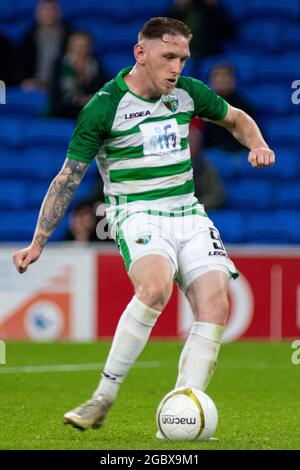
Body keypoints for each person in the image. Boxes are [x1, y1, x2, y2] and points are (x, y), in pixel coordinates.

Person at [12, 17, 275, 437]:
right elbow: (68, 177)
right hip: (137, 212)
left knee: (216, 304)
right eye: (168, 56)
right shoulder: (104, 106)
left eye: (183, 59)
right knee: (154, 289)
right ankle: (102, 396)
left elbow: (237, 118)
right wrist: (38, 241)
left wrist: (258, 144)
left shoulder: (188, 93)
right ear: (141, 53)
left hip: (188, 211)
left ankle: (182, 411)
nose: (177, 67)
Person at [49, 32, 107, 119]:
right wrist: (79, 100)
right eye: (77, 46)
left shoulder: (95, 64)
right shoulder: (61, 64)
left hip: (91, 110)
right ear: (69, 46)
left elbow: (104, 88)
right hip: (64, 111)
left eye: (84, 46)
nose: (80, 50)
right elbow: (59, 94)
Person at [18, 0, 71, 91]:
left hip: (61, 86)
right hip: (34, 85)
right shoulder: (27, 37)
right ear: (37, 14)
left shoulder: (70, 36)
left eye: (52, 9)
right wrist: (25, 80)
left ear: (59, 13)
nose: (49, 14)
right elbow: (19, 66)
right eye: (45, 10)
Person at [203, 63, 256, 152]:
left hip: (238, 154)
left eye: (225, 76)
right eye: (217, 76)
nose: (221, 80)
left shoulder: (243, 106)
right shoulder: (204, 105)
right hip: (210, 154)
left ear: (233, 81)